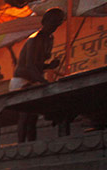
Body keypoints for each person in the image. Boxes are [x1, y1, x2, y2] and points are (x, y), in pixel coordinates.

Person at [10, 7, 65, 142]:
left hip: (35, 79)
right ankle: (20, 145)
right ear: (45, 21)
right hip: (21, 81)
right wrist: (43, 82)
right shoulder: (33, 40)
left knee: (33, 116)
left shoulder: (50, 39)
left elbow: (38, 64)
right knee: (25, 114)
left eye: (57, 24)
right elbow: (29, 66)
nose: (54, 27)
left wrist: (49, 66)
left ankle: (31, 145)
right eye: (52, 23)